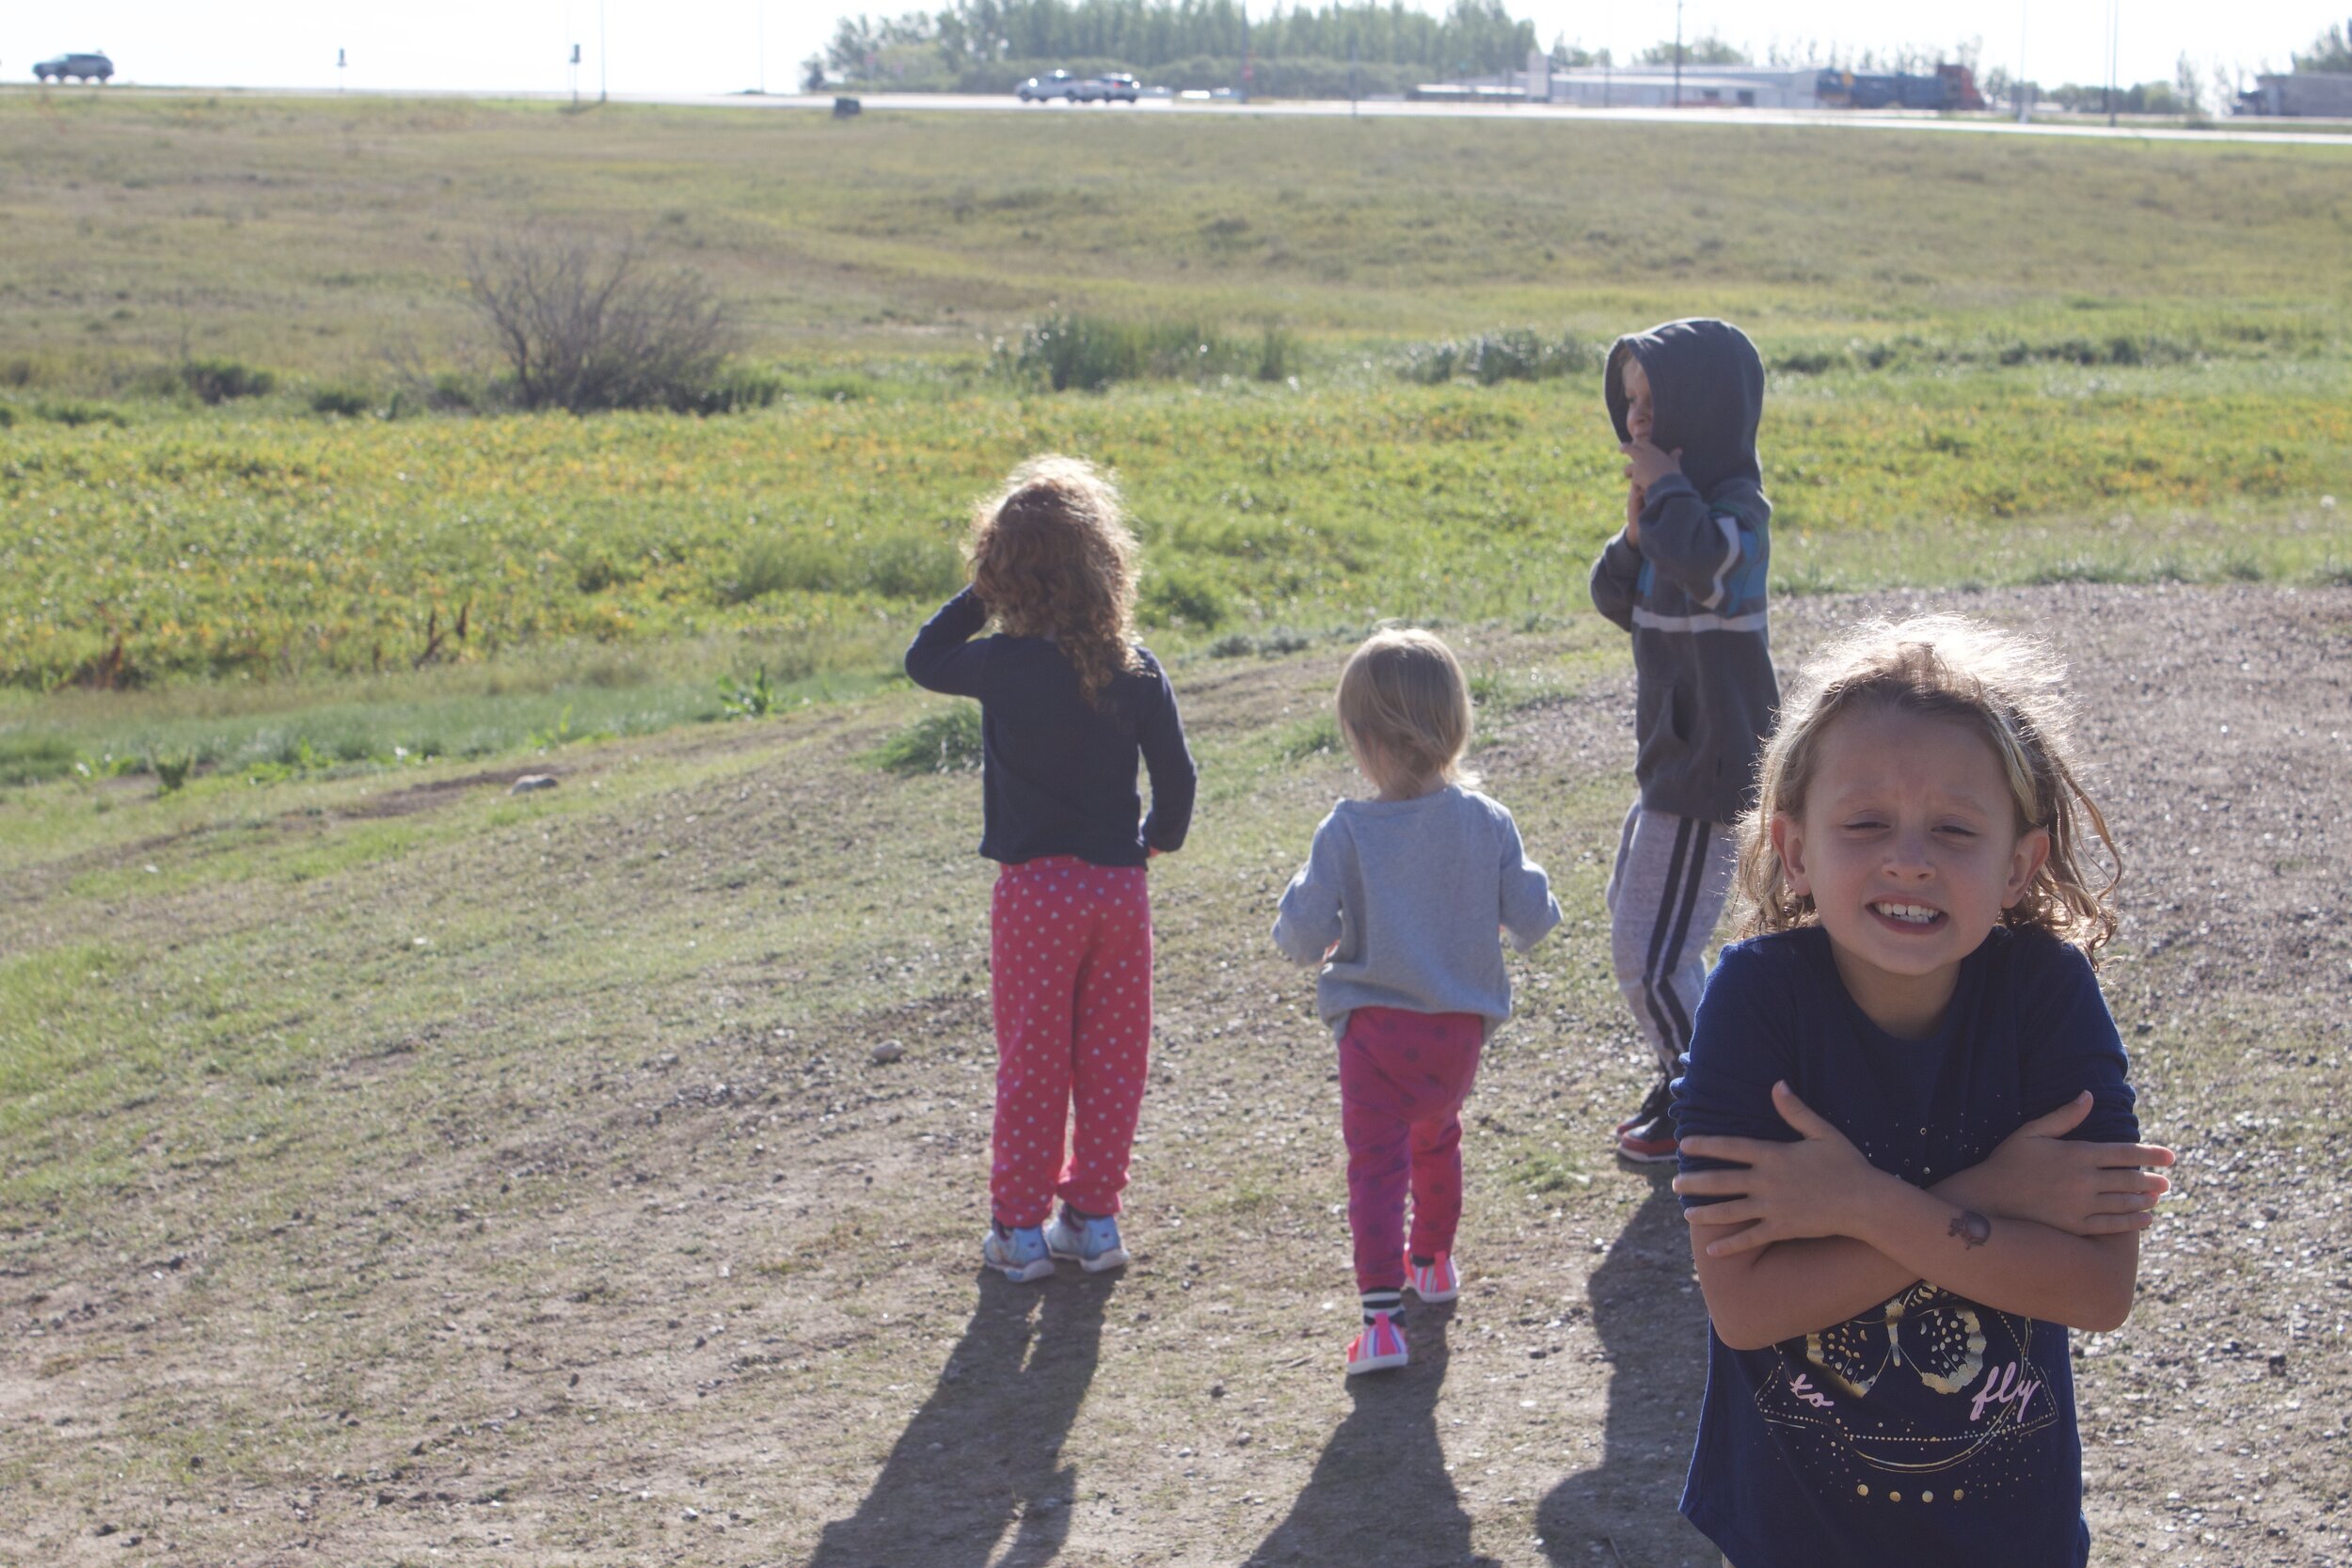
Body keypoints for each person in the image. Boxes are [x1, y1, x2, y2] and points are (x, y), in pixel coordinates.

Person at [1670, 616, 2176, 1568]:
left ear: (2018, 862)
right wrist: (1992, 1194)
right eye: (1863, 824)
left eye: (1953, 828)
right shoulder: (1754, 1000)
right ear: (1794, 848)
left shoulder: (2044, 993)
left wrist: (1857, 1205)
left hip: (2009, 1533)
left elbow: (2097, 1286)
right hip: (1796, 1531)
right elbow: (1746, 1304)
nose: (1909, 858)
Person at [905, 455, 1197, 1283]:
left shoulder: (999, 664)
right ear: (1106, 563)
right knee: (1112, 1055)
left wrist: (981, 596)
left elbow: (922, 659)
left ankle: (1019, 1230)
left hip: (1035, 892)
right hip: (1117, 886)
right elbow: (1177, 779)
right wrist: (1155, 840)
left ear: (1001, 571)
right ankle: (1094, 1218)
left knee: (1034, 1059)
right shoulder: (1133, 666)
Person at [1273, 629, 1562, 1374]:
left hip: (1375, 1035)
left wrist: (1300, 919)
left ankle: (1381, 1322)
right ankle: (1431, 1261)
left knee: (1377, 1167)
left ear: (1365, 740)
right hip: (1457, 1039)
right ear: (1457, 723)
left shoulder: (1347, 830)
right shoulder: (1487, 820)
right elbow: (1534, 917)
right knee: (1437, 1137)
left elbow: (1303, 936)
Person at [1586, 318, 1779, 1162]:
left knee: (1652, 954)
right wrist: (1633, 535)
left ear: (1699, 412)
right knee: (1641, 929)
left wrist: (1666, 496)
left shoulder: (1735, 512)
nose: (1634, 421)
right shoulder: (1670, 517)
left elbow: (1709, 567)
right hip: (1671, 762)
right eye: (1627, 402)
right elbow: (1614, 600)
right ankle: (1691, 1075)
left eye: (1651, 402)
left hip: (1714, 766)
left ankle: (1713, 1098)